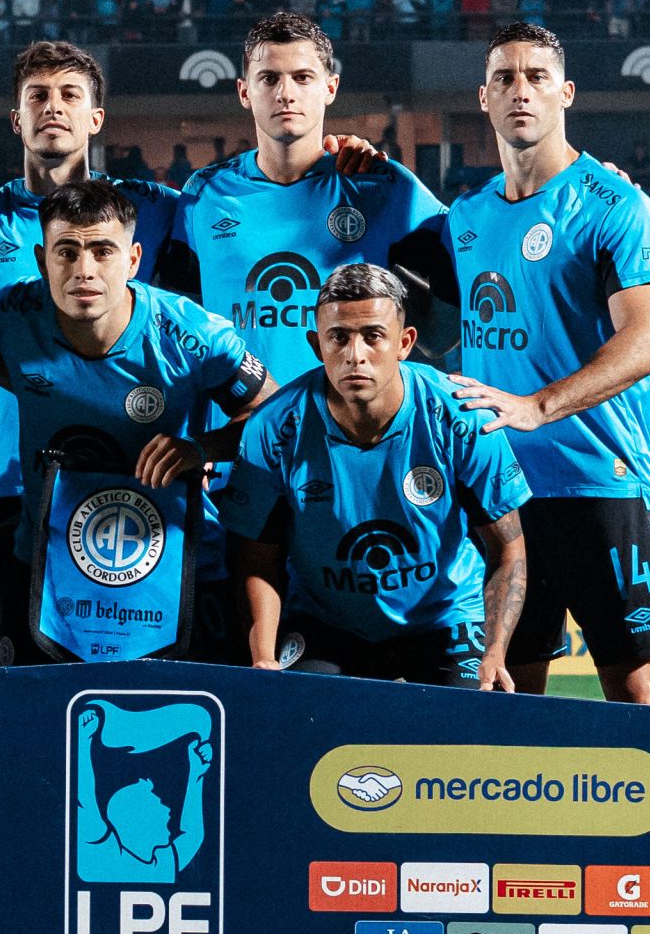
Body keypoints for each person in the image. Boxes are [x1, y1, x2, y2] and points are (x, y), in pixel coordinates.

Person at [444, 21, 650, 704]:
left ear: (565, 93)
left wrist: (537, 406)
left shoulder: (615, 205)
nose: (521, 90)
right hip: (501, 491)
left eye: (537, 77)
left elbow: (649, 341)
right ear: (483, 97)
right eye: (505, 78)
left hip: (598, 483)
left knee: (636, 695)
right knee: (505, 695)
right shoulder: (464, 218)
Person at [0, 42, 183, 667]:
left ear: (96, 118)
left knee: (122, 676)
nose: (54, 107)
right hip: (2, 482)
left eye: (70, 95)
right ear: (15, 118)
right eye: (37, 96)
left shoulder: (154, 210)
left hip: (122, 480)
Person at [0, 181, 273, 664]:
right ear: (41, 260)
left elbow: (277, 416)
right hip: (48, 570)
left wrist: (201, 448)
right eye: (66, 252)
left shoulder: (191, 336)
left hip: (180, 566)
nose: (84, 270)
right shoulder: (11, 316)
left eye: (103, 251)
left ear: (134, 260)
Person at [219, 264, 529, 686]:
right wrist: (263, 658)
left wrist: (494, 652)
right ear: (316, 345)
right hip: (326, 624)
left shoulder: (462, 417)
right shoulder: (273, 428)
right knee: (294, 716)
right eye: (338, 337)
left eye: (373, 336)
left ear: (405, 343)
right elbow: (257, 560)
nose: (355, 355)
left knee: (466, 721)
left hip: (443, 618)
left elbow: (508, 549)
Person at [166, 11, 449, 388]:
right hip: (234, 422)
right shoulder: (204, 194)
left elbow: (446, 328)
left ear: (330, 88)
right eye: (269, 78)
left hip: (346, 422)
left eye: (302, 77)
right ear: (244, 92)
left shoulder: (379, 185)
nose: (286, 93)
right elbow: (179, 328)